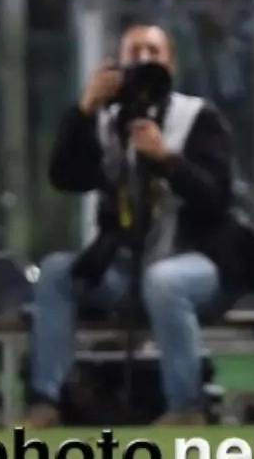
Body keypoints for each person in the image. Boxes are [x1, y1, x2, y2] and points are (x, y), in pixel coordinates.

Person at [25, 25, 233, 427]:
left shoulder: (198, 116)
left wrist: (167, 159)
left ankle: (186, 407)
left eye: (153, 51)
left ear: (171, 63)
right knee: (56, 272)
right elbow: (65, 177)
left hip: (194, 261)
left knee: (164, 281)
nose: (143, 60)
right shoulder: (106, 120)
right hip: (122, 266)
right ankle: (46, 400)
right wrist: (84, 110)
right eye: (134, 52)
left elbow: (217, 198)